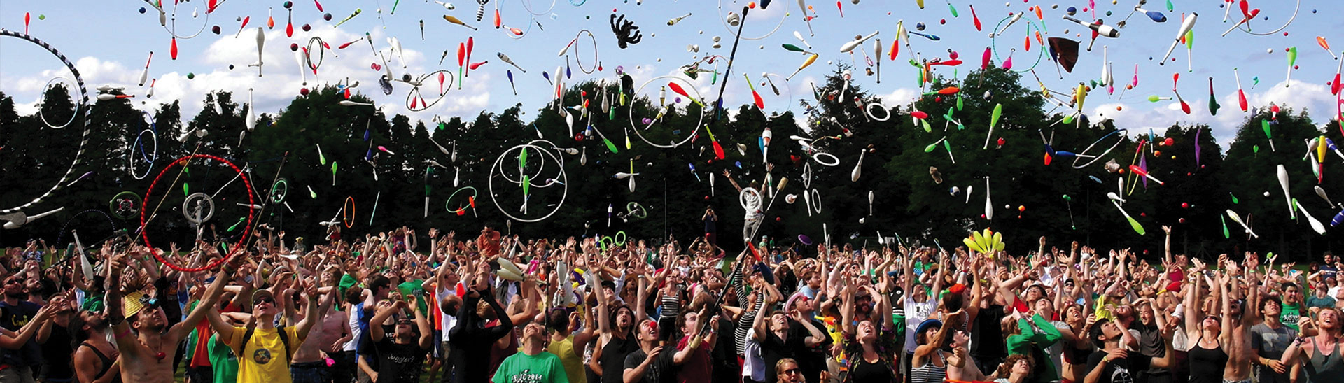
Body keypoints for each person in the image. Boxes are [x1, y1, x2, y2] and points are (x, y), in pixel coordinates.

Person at [105, 246, 236, 383]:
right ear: (136, 324)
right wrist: (114, 275)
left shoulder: (170, 339)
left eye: (155, 308)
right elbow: (115, 315)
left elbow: (204, 305)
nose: (155, 311)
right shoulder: (130, 347)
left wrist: (229, 267)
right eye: (148, 311)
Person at [368, 293, 434, 383]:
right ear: (393, 334)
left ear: (413, 334)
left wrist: (416, 309)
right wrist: (392, 309)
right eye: (398, 323)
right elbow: (374, 323)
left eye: (407, 322)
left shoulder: (416, 348)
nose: (402, 323)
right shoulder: (385, 346)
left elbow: (426, 334)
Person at [494, 322, 570, 383]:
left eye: (536, 326)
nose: (531, 326)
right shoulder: (509, 361)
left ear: (543, 338)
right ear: (522, 339)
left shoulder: (552, 361)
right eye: (527, 326)